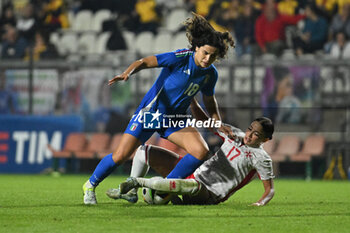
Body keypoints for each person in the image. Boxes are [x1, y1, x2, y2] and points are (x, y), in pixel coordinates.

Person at [82, 12, 235, 205]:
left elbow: (209, 102)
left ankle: (162, 187)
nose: (207, 59)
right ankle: (90, 185)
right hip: (152, 114)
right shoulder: (180, 58)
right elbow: (145, 62)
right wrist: (127, 73)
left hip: (175, 118)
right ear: (197, 47)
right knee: (120, 156)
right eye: (205, 53)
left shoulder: (210, 74)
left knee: (200, 151)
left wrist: (217, 123)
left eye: (213, 56)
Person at [106, 102, 275, 206]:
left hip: (208, 192)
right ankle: (132, 193)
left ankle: (138, 182)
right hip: (195, 174)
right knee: (144, 151)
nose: (249, 135)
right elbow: (205, 121)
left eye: (256, 135)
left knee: (191, 186)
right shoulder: (234, 134)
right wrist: (193, 100)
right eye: (250, 129)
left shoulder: (261, 158)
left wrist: (260, 203)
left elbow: (270, 190)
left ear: (266, 139)